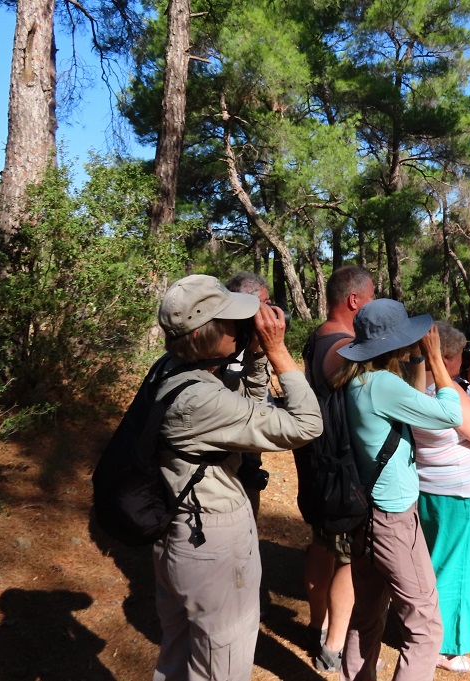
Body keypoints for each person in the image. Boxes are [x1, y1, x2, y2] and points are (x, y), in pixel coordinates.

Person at [152, 274, 323, 681]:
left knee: (179, 657)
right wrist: (280, 351)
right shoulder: (199, 398)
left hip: (181, 530)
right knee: (221, 663)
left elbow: (239, 409)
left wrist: (256, 356)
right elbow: (306, 424)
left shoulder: (172, 371)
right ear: (204, 335)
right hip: (211, 541)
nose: (244, 326)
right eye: (233, 322)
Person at [332, 298, 463, 681]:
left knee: (368, 615)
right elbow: (449, 416)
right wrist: (438, 359)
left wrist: (418, 360)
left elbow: (412, 403)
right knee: (425, 627)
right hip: (392, 521)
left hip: (365, 516)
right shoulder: (384, 386)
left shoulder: (355, 378)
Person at [293, 265, 375, 671]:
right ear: (354, 300)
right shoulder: (344, 346)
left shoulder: (318, 335)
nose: (372, 306)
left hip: (319, 459)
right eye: (371, 298)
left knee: (322, 543)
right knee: (346, 557)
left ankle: (315, 622)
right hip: (342, 467)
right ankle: (334, 643)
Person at [411, 321, 470, 674]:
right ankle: (445, 649)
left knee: (433, 564)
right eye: (460, 357)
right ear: (446, 358)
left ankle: (422, 631)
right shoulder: (452, 393)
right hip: (463, 496)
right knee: (458, 570)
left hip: (430, 489)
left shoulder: (414, 386)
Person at [225, 271, 272, 517]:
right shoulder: (226, 337)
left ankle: (250, 531)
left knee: (252, 475)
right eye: (265, 304)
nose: (270, 310)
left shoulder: (252, 337)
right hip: (232, 426)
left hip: (252, 428)